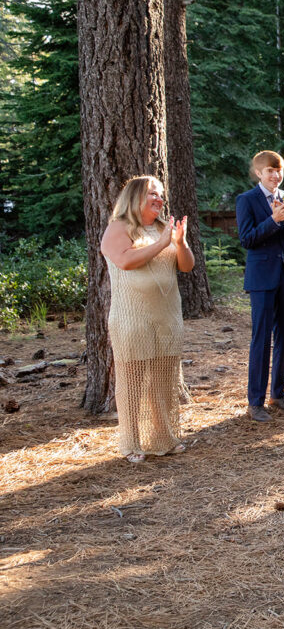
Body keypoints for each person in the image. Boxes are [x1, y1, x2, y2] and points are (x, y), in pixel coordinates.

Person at [100, 176, 194, 463]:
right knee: (133, 382)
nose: (159, 199)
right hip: (132, 317)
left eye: (161, 194)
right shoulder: (119, 227)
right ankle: (131, 443)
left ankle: (164, 437)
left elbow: (186, 266)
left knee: (163, 380)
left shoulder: (163, 227)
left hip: (166, 315)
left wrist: (180, 243)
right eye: (153, 194)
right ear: (135, 196)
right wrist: (162, 243)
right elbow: (125, 261)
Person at [236, 150, 284, 422]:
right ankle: (255, 401)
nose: (275, 175)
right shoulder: (247, 200)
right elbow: (247, 239)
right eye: (270, 171)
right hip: (261, 279)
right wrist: (273, 220)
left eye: (279, 170)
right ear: (258, 173)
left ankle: (278, 393)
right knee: (261, 338)